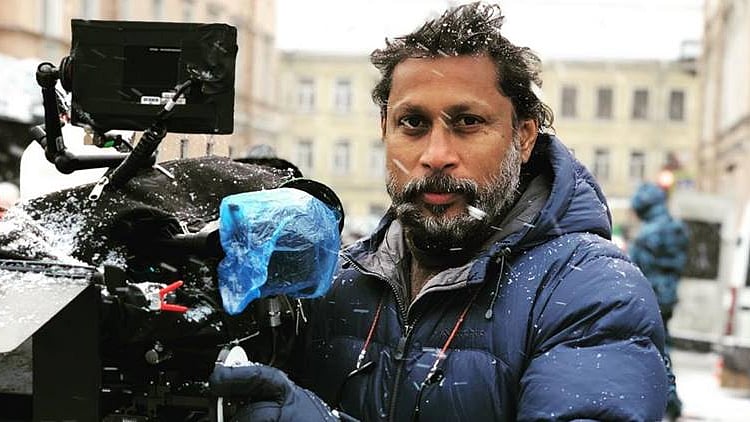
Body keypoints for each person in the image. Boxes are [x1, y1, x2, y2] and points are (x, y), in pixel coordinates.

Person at [209, 3, 669, 420]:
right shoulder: (334, 283)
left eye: (468, 122)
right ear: (384, 129)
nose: (436, 155)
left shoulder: (591, 290)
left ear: (524, 137)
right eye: (412, 123)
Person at [629, 181, 690, 421]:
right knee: (662, 347)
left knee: (654, 351)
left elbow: (635, 270)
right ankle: (670, 400)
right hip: (667, 296)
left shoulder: (648, 234)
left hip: (650, 298)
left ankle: (668, 400)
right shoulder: (675, 227)